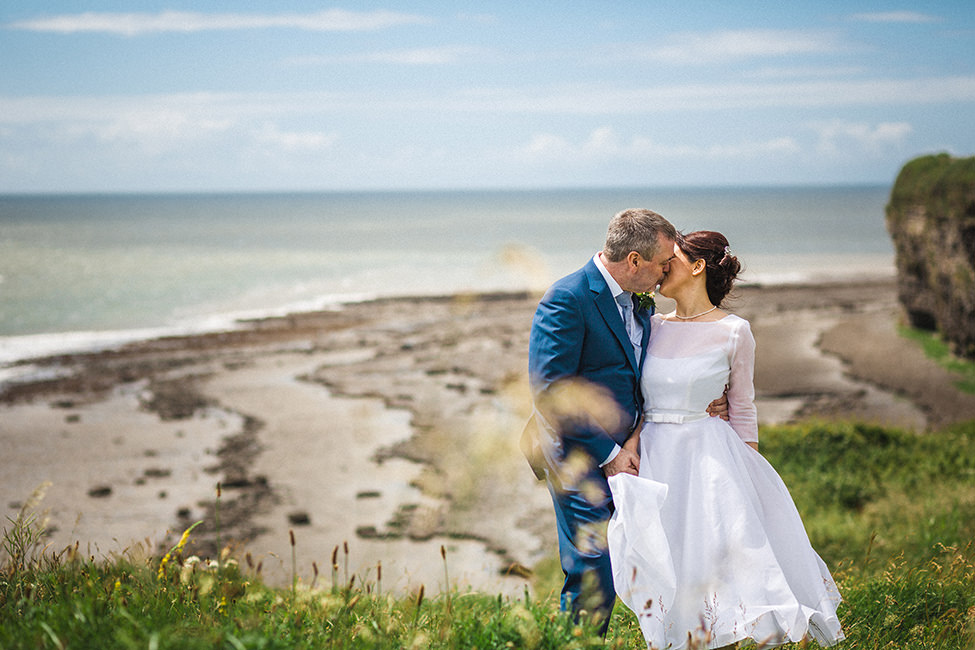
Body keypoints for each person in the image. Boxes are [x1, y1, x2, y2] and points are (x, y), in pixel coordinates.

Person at [606, 231, 845, 649]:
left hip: (710, 463)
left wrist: (749, 484)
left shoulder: (735, 331)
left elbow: (744, 407)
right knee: (670, 571)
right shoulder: (649, 325)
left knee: (720, 575)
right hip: (657, 460)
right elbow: (634, 393)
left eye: (671, 259)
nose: (661, 267)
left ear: (697, 267)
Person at [525, 209, 728, 634]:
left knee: (655, 555)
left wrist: (709, 397)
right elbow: (551, 394)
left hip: (634, 452)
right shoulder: (568, 298)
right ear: (634, 262)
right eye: (662, 263)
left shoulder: (640, 303)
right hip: (578, 454)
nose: (666, 272)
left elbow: (646, 375)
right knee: (595, 564)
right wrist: (611, 454)